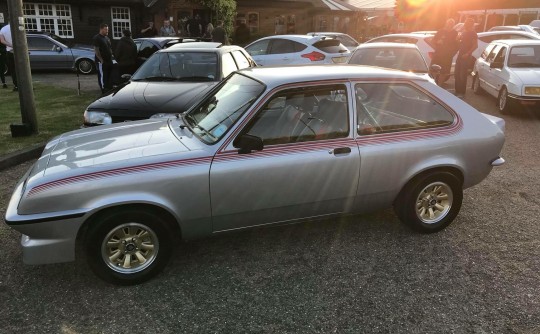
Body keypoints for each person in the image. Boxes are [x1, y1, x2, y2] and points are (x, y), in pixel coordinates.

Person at [454, 18, 478, 98]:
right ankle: (457, 90)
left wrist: (467, 54)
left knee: (462, 74)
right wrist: (458, 39)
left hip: (466, 56)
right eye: (466, 22)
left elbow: (475, 46)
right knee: (456, 72)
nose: (465, 24)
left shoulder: (473, 33)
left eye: (467, 23)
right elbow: (460, 41)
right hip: (460, 54)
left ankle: (461, 92)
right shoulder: (464, 32)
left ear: (471, 24)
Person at [431, 18, 458, 85]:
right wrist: (437, 43)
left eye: (451, 24)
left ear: (453, 25)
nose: (450, 25)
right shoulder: (440, 31)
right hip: (438, 54)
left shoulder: (455, 33)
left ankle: (439, 86)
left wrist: (452, 53)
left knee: (444, 72)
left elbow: (457, 45)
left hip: (448, 56)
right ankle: (433, 84)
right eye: (449, 23)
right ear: (446, 24)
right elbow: (433, 41)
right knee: (433, 70)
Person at [93, 23, 115, 94]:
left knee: (109, 74)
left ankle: (109, 87)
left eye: (107, 30)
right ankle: (103, 89)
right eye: (106, 30)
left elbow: (110, 48)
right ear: (101, 29)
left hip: (109, 60)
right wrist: (101, 60)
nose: (107, 31)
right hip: (101, 61)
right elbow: (96, 50)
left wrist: (112, 56)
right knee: (103, 75)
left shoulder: (107, 38)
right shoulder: (97, 38)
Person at [0, 22, 17, 91]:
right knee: (23, 68)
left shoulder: (3, 29)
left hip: (9, 51)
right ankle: (27, 85)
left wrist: (10, 45)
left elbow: (2, 41)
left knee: (13, 70)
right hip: (20, 51)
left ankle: (16, 85)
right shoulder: (18, 27)